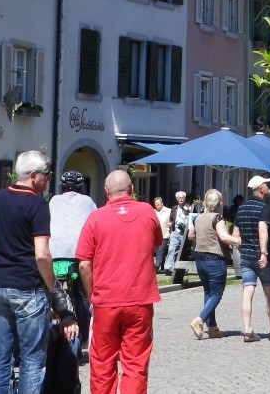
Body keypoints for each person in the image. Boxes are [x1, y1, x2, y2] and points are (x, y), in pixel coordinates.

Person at [75, 169, 163, 394]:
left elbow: (84, 264)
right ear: (132, 189)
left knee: (103, 363)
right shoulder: (148, 212)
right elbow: (155, 244)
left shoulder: (96, 217)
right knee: (135, 363)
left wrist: (91, 294)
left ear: (106, 192)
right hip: (139, 300)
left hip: (106, 301)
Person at [0, 150, 56, 394]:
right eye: (47, 174)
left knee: (2, 356)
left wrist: (3, 259)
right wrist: (52, 285)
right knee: (32, 359)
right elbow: (42, 254)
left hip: (1, 287)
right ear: (33, 175)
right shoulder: (38, 205)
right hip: (29, 289)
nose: (49, 180)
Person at [49, 170, 97, 357]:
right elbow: (94, 225)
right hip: (78, 254)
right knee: (82, 295)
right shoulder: (88, 202)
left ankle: (49, 332)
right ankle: (84, 336)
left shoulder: (53, 201)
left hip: (54, 254)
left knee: (50, 292)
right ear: (81, 187)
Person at [237, 175, 270, 342]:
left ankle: (247, 331)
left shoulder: (241, 208)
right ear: (261, 189)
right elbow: (262, 231)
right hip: (261, 258)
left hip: (246, 257)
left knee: (247, 291)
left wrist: (243, 248)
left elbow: (235, 235)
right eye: (266, 184)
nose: (267, 186)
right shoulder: (264, 208)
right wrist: (263, 253)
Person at [187, 188, 241, 340]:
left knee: (208, 293)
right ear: (217, 203)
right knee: (217, 294)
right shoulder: (217, 218)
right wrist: (238, 241)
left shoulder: (197, 218)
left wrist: (203, 234)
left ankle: (212, 328)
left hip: (199, 258)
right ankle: (200, 320)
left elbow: (191, 235)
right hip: (214, 259)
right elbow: (224, 237)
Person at [162, 191, 192, 275]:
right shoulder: (174, 208)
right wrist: (170, 224)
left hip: (185, 232)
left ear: (185, 198)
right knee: (172, 249)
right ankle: (168, 268)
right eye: (179, 198)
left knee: (183, 251)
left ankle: (183, 269)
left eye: (182, 198)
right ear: (176, 199)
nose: (181, 199)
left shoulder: (189, 208)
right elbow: (171, 219)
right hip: (175, 232)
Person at [152, 197, 173, 271]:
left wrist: (171, 223)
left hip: (164, 234)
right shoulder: (153, 211)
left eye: (159, 203)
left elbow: (172, 220)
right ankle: (163, 267)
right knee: (161, 251)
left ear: (162, 203)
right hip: (155, 235)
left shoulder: (168, 211)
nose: (157, 204)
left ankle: (156, 267)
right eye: (156, 203)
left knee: (160, 251)